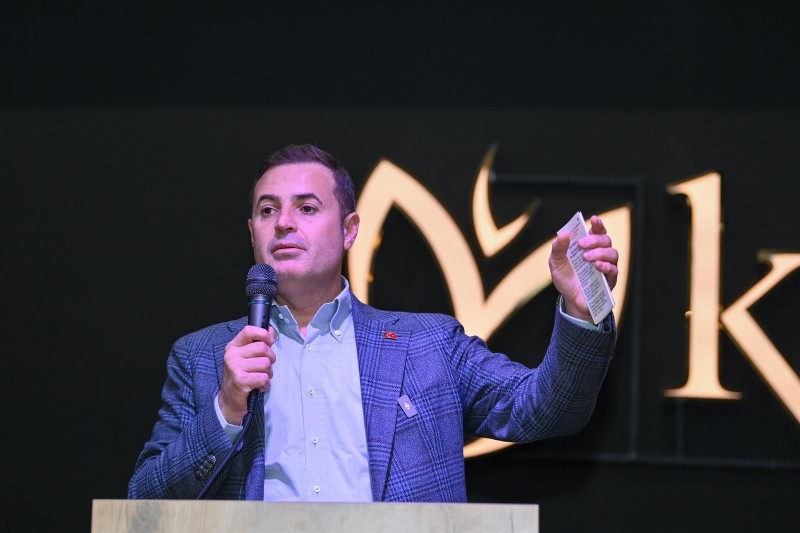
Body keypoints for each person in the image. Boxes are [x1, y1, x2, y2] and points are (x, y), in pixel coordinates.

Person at [128, 143, 618, 502]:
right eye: (267, 210)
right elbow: (144, 502)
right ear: (252, 232)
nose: (283, 223)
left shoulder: (429, 345)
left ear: (349, 230)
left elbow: (547, 410)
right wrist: (226, 409)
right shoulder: (202, 357)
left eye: (306, 208)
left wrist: (581, 310)